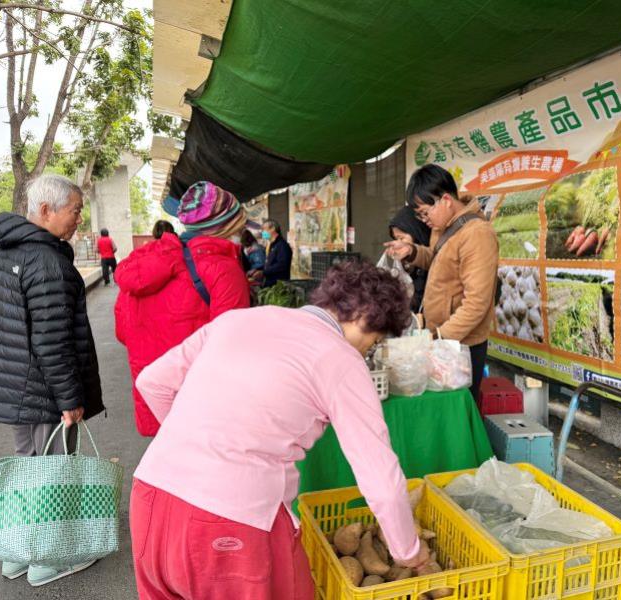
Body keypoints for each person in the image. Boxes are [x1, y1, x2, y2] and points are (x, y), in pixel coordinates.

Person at [129, 261, 430, 599]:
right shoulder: (341, 359)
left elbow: (152, 382)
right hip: (230, 521)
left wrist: (197, 443)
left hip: (150, 498)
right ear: (366, 317)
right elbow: (380, 477)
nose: (367, 350)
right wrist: (408, 551)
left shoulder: (238, 319)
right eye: (374, 341)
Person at [0, 174, 104, 586]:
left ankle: (17, 554)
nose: (79, 219)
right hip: (44, 388)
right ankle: (49, 558)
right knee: (53, 471)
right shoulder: (47, 261)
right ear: (47, 210)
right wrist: (70, 398)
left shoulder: (7, 252)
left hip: (16, 387)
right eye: (75, 210)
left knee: (27, 468)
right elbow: (51, 339)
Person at [114, 181, 250, 437]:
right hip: (204, 401)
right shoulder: (222, 269)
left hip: (157, 399)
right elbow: (232, 344)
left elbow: (123, 332)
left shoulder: (141, 263)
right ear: (225, 225)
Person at [385, 164, 499, 401]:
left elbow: (476, 304)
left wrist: (438, 335)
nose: (424, 220)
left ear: (445, 200)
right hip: (442, 339)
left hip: (463, 346)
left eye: (425, 213)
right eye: (419, 216)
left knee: (456, 407)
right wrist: (412, 251)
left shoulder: (477, 234)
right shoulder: (444, 227)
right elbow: (440, 261)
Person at [389, 205, 431, 313]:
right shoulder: (407, 264)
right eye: (396, 239)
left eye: (401, 238)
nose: (398, 243)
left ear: (416, 233)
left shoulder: (432, 262)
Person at [262, 219, 293, 287]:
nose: (263, 232)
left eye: (264, 229)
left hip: (278, 285)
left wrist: (264, 272)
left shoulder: (282, 245)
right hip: (270, 283)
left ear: (273, 228)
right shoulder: (272, 245)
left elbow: (282, 265)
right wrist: (259, 270)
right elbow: (269, 263)